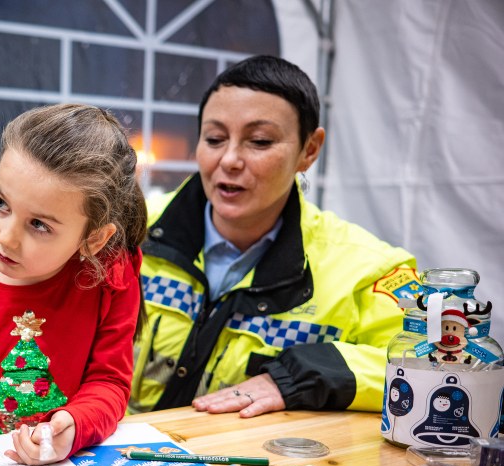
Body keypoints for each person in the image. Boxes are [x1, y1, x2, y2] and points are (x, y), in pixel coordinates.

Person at [130, 55, 418, 418]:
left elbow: (445, 365)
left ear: (309, 150)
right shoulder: (128, 233)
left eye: (260, 141)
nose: (230, 160)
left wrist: (297, 375)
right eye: (215, 138)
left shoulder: (366, 270)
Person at [0, 104, 146, 465]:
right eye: (1, 203)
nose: (6, 238)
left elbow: (109, 383)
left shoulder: (110, 278)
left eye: (39, 225)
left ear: (94, 240)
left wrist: (73, 427)